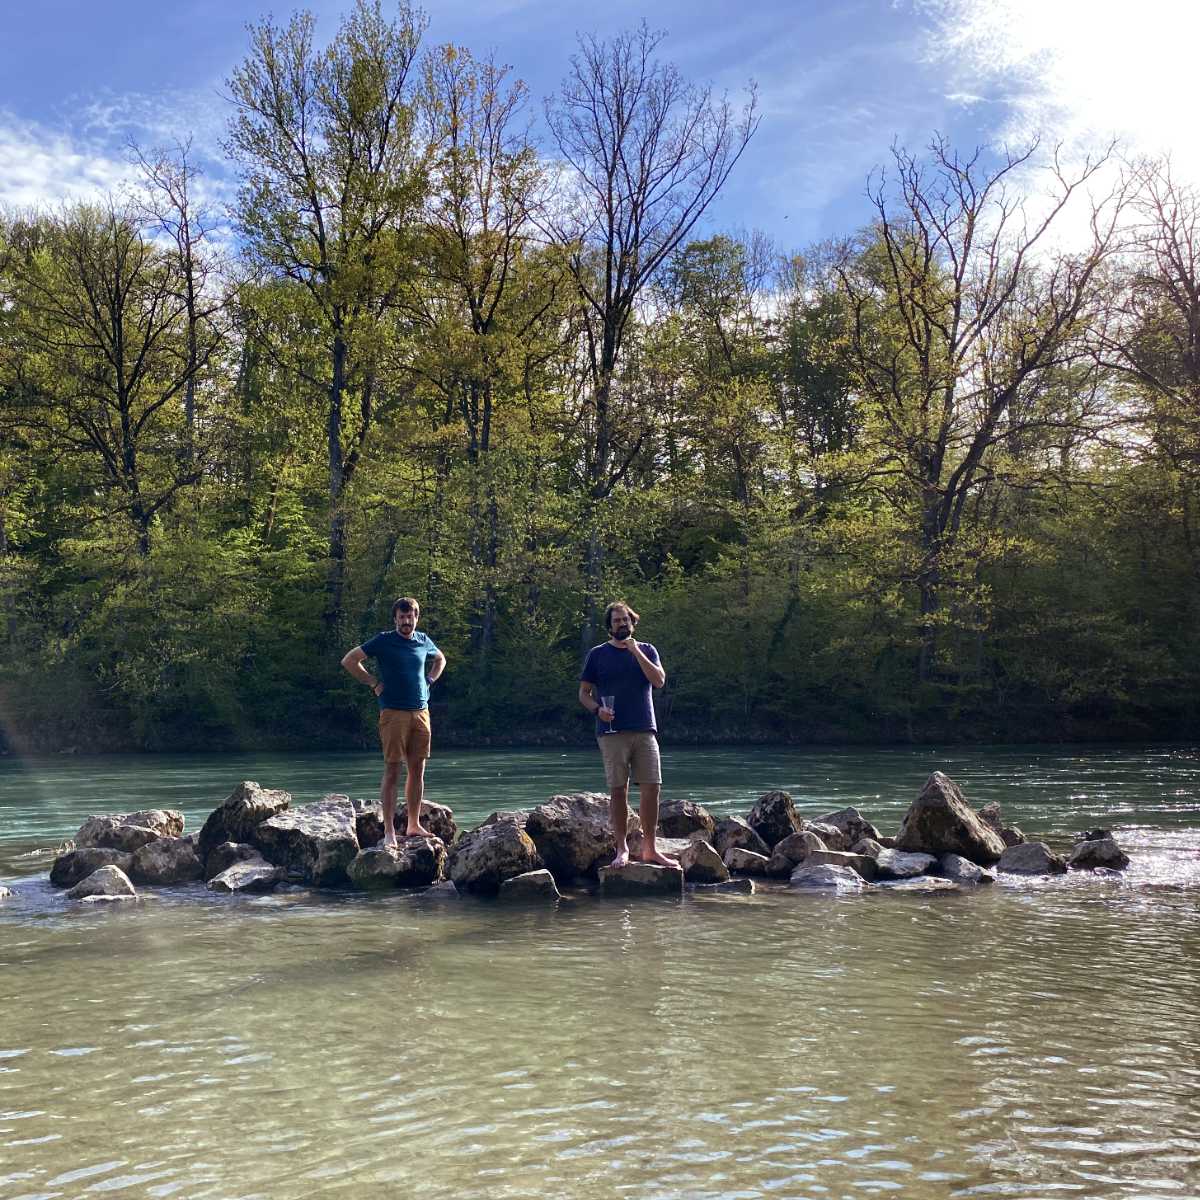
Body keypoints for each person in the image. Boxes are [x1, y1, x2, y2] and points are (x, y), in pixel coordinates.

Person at [341, 597, 447, 847]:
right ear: (395, 619)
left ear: (416, 618)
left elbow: (440, 659)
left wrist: (429, 681)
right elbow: (349, 660)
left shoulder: (423, 640)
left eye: (410, 617)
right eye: (402, 617)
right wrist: (373, 683)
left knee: (417, 769)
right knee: (392, 770)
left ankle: (413, 824)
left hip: (421, 712)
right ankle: (389, 832)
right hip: (393, 713)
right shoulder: (384, 640)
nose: (406, 622)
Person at [578, 600, 674, 868]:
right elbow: (583, 694)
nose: (622, 624)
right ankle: (621, 849)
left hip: (645, 728)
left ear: (633, 622)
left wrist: (635, 652)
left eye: (626, 620)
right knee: (618, 789)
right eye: (617, 620)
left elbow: (658, 681)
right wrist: (598, 710)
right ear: (609, 626)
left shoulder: (647, 649)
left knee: (652, 787)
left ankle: (650, 849)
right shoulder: (597, 654)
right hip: (611, 731)